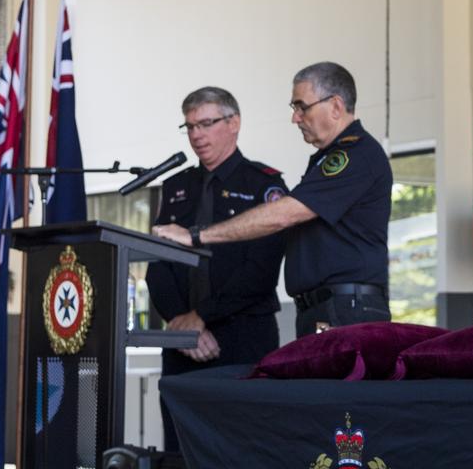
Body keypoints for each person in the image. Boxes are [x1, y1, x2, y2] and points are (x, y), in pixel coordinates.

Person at [155, 62, 392, 337]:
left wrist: (196, 236)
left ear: (336, 106)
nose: (296, 118)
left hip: (345, 308)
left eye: (302, 107)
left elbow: (284, 215)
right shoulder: (328, 158)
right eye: (294, 109)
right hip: (324, 308)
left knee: (335, 381)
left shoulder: (355, 154)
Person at [146, 86, 287, 452]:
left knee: (241, 447)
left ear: (234, 123)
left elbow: (262, 270)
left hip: (242, 337)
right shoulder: (176, 186)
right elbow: (158, 265)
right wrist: (182, 322)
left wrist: (200, 317)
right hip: (181, 343)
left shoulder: (264, 184)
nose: (196, 135)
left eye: (206, 124)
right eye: (189, 126)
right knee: (181, 450)